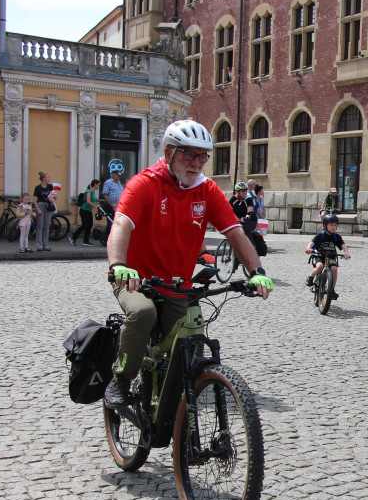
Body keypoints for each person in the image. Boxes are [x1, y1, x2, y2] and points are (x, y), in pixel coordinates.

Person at [104, 120, 273, 407]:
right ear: (169, 153)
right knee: (143, 313)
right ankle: (120, 378)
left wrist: (256, 271)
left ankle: (171, 395)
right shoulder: (144, 183)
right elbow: (121, 224)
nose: (196, 163)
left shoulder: (206, 190)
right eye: (189, 155)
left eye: (202, 156)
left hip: (177, 283)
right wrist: (118, 265)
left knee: (188, 333)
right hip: (136, 279)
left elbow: (235, 233)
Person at [305, 213, 351, 296]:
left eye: (335, 225)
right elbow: (311, 243)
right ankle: (311, 276)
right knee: (320, 266)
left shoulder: (336, 237)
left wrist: (346, 253)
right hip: (319, 255)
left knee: (334, 269)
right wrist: (309, 249)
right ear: (325, 225)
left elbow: (343, 245)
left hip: (330, 257)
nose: (333, 227)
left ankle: (331, 290)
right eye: (331, 225)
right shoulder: (321, 235)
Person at [70, 179, 100, 246]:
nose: (99, 186)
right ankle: (73, 238)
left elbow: (91, 201)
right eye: (98, 185)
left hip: (88, 210)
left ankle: (86, 241)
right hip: (84, 210)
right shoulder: (88, 191)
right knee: (85, 225)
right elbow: (88, 201)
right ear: (95, 184)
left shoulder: (93, 192)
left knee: (90, 225)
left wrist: (95, 205)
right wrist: (95, 206)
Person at [33, 171, 58, 252]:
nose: (49, 178)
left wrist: (54, 197)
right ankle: (39, 245)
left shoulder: (50, 186)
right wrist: (37, 209)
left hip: (48, 206)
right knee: (40, 226)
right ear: (43, 179)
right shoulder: (38, 187)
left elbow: (55, 197)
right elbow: (34, 199)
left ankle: (46, 244)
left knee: (47, 226)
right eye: (48, 177)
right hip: (40, 205)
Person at [101, 159, 126, 238]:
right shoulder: (108, 182)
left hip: (119, 206)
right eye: (117, 175)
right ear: (112, 175)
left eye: (119, 175)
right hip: (111, 206)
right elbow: (105, 194)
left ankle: (115, 235)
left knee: (117, 221)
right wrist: (111, 204)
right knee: (111, 220)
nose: (118, 176)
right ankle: (108, 236)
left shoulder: (119, 183)